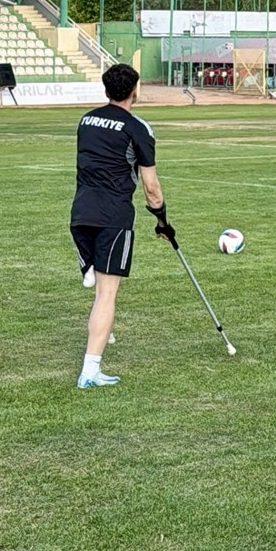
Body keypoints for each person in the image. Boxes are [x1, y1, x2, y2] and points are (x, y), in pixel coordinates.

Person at [71, 63, 175, 389]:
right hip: (113, 216)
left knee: (98, 284)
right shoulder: (138, 128)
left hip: (80, 212)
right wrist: (163, 222)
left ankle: (88, 266)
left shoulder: (86, 121)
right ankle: (90, 371)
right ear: (135, 90)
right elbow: (151, 187)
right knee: (107, 294)